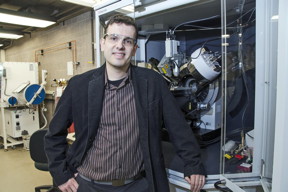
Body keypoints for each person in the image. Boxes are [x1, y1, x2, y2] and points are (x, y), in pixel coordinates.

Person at [44, 14, 206, 192]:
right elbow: (54, 135)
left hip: (138, 185)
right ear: (102, 43)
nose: (120, 45)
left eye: (127, 41)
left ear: (134, 48)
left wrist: (193, 164)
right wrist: (61, 175)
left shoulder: (152, 82)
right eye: (113, 38)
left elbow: (178, 127)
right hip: (89, 185)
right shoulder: (79, 85)